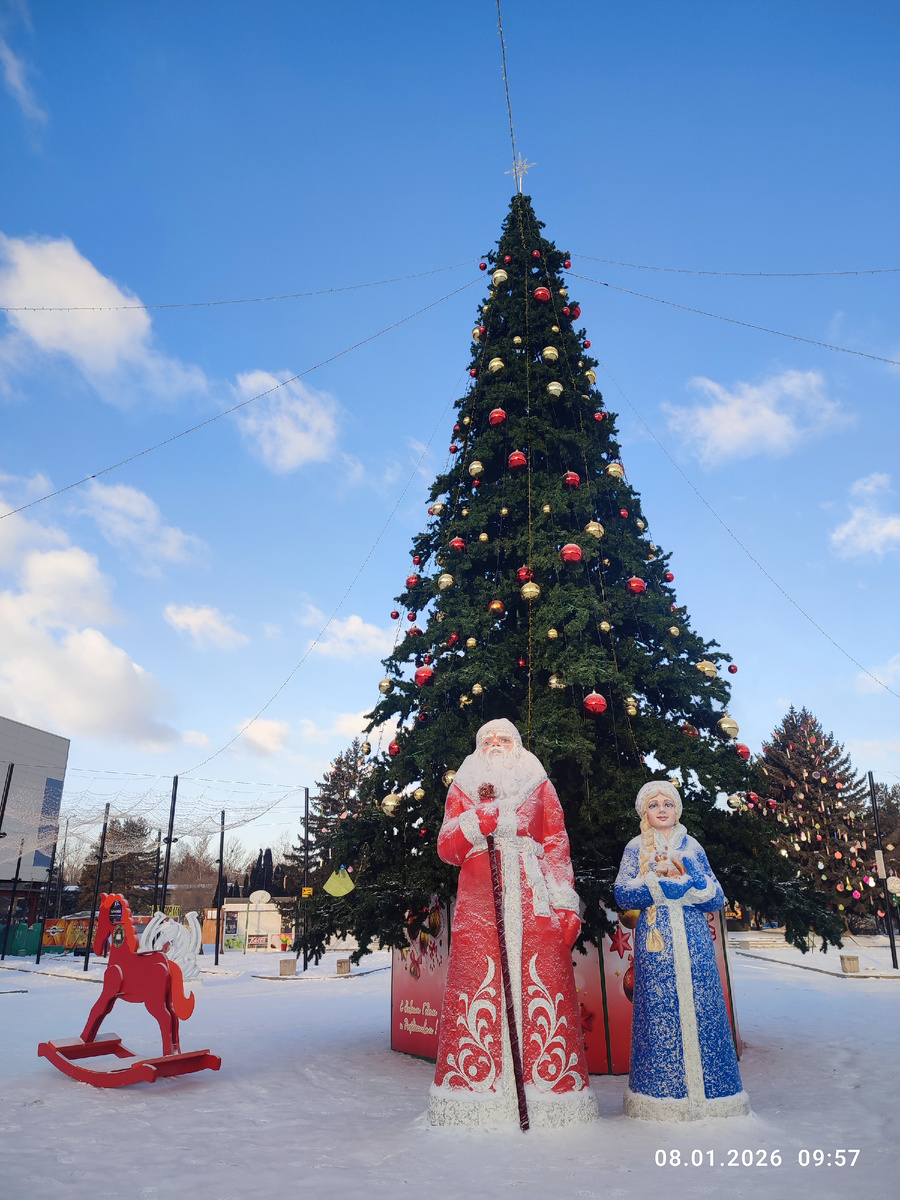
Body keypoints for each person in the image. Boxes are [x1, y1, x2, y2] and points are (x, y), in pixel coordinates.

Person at [428, 718, 598, 1128]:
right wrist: (476, 822)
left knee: (542, 983)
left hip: (533, 892)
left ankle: (550, 1090)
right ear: (478, 748)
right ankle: (473, 1089)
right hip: (479, 901)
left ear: (518, 745)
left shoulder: (538, 782)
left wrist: (565, 904)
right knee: (478, 984)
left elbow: (556, 843)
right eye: (488, 739)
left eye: (505, 739)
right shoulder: (464, 787)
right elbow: (446, 847)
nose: (497, 745)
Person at [614, 780, 750, 1121]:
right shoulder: (635, 847)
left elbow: (716, 897)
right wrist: (655, 885)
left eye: (668, 803)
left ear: (677, 809)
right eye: (654, 804)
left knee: (704, 1004)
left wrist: (690, 881)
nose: (662, 809)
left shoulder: (692, 847)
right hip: (656, 940)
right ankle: (660, 1095)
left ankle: (717, 1095)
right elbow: (623, 894)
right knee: (659, 1008)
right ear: (644, 812)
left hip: (693, 939)